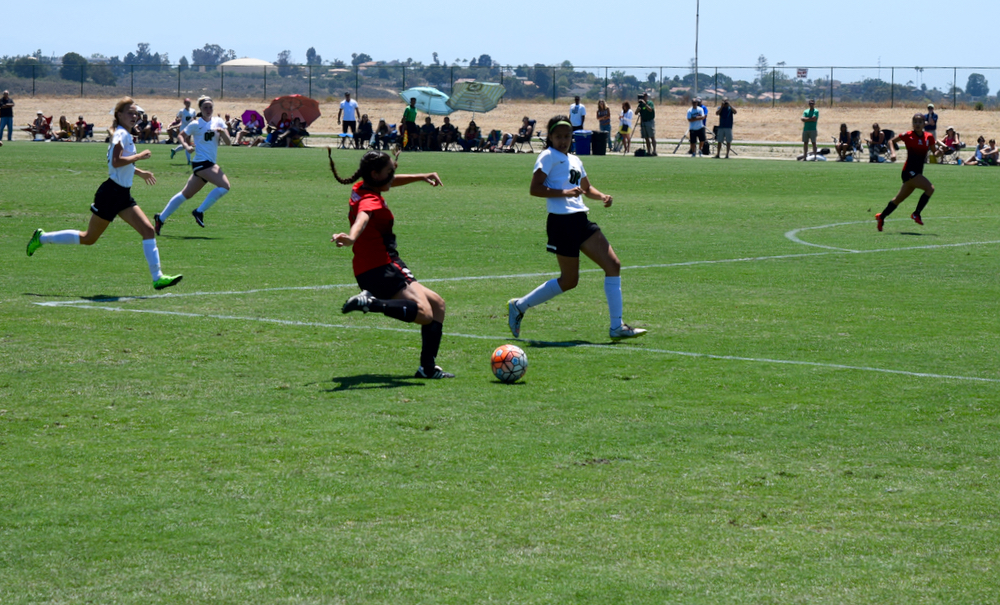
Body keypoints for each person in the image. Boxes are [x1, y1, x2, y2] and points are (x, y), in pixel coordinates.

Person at [506, 116, 645, 341]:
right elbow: (535, 189)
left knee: (613, 265)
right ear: (550, 137)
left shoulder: (575, 159)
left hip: (581, 220)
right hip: (561, 223)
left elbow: (586, 188)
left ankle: (617, 326)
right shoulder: (548, 156)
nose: (563, 140)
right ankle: (519, 306)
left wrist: (602, 197)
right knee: (569, 280)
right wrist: (565, 193)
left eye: (567, 136)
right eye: (558, 136)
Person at [25, 96, 182, 290]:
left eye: (136, 113)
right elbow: (116, 162)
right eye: (130, 113)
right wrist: (140, 156)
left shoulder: (123, 133)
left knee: (148, 230)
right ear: (119, 115)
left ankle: (158, 277)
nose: (134, 116)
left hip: (122, 194)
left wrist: (139, 172)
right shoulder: (121, 135)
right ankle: (41, 238)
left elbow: (119, 163)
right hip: (110, 194)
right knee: (88, 238)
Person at [328, 148, 453, 379]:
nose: (393, 176)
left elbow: (389, 184)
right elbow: (362, 218)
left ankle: (427, 368)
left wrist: (421, 176)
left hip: (370, 268)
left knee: (437, 305)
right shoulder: (370, 200)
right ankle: (371, 303)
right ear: (376, 174)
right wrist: (352, 237)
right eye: (389, 171)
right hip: (382, 267)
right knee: (425, 314)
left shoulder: (362, 187)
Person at [155, 96, 231, 235]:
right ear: (200, 109)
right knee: (225, 186)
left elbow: (228, 142)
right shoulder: (196, 124)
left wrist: (222, 132)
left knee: (185, 194)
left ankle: (160, 218)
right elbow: (181, 136)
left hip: (209, 163)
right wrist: (186, 146)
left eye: (210, 107)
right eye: (205, 107)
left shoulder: (218, 121)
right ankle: (199, 211)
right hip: (201, 162)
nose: (208, 110)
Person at [875, 114, 946, 231]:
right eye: (915, 122)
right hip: (908, 172)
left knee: (897, 200)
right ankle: (916, 213)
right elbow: (891, 141)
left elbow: (935, 153)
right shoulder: (908, 135)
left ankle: (881, 217)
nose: (917, 124)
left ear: (924, 124)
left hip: (917, 173)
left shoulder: (929, 137)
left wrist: (941, 152)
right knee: (930, 188)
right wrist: (893, 153)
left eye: (920, 122)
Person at [169, 98, 196, 164]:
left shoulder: (193, 111)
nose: (188, 104)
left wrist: (193, 120)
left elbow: (195, 118)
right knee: (187, 144)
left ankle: (174, 151)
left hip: (190, 128)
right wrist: (178, 119)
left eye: (189, 103)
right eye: (187, 103)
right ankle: (189, 161)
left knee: (185, 145)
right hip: (183, 128)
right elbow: (177, 117)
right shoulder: (182, 111)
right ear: (184, 104)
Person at [637, 92, 657, 156]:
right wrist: (638, 109)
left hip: (649, 121)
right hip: (643, 122)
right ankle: (648, 151)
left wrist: (645, 104)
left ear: (646, 97)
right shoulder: (640, 104)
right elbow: (636, 112)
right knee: (646, 137)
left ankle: (654, 150)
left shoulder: (650, 103)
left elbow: (650, 110)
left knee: (652, 136)